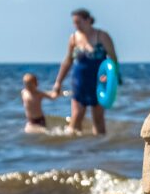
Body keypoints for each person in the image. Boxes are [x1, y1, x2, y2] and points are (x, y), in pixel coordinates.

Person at [50, 8, 119, 136]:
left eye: (78, 22)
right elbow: (67, 61)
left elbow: (113, 59)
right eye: (74, 23)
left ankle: (98, 151)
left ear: (88, 20)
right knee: (76, 117)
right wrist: (58, 82)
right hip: (79, 82)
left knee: (98, 119)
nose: (76, 25)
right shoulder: (73, 38)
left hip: (98, 82)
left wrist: (111, 78)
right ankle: (76, 151)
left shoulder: (102, 36)